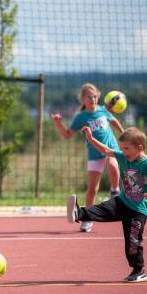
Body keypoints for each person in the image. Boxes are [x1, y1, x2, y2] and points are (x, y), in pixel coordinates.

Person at [67, 126, 147, 282]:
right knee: (102, 209)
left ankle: (139, 271)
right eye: (121, 148)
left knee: (133, 241)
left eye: (126, 148)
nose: (123, 152)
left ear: (140, 148)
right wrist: (91, 139)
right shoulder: (123, 157)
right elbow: (106, 150)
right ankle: (79, 213)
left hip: (139, 209)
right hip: (123, 201)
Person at [51, 83, 124, 232]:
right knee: (92, 189)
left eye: (95, 96)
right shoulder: (81, 117)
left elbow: (114, 121)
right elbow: (67, 135)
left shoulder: (103, 111)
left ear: (98, 97)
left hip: (110, 148)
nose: (92, 99)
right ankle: (87, 219)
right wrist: (58, 124)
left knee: (112, 163)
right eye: (89, 96)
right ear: (83, 99)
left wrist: (123, 134)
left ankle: (115, 191)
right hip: (94, 153)